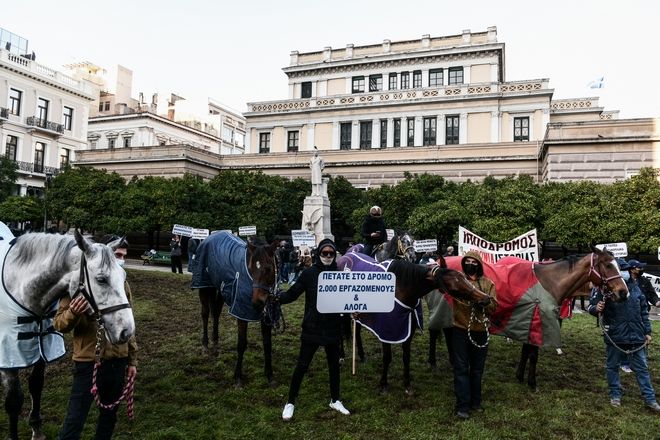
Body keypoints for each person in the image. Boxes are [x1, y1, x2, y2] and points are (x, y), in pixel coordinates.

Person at [54, 235, 138, 439]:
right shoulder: (78, 284)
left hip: (117, 361)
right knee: (75, 419)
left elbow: (129, 326)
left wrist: (132, 360)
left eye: (122, 256)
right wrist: (73, 312)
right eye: (117, 255)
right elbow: (59, 324)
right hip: (88, 362)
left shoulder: (121, 283)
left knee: (109, 417)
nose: (119, 260)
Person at [278, 238, 350, 421]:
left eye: (331, 253)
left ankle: (335, 399)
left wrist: (354, 311)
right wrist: (276, 298)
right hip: (312, 327)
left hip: (332, 328)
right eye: (324, 253)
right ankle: (290, 402)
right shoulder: (309, 273)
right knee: (302, 365)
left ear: (335, 255)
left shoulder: (341, 274)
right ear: (319, 254)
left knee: (334, 367)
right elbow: (293, 294)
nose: (327, 256)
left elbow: (349, 300)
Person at [588, 259, 660, 413]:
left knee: (642, 369)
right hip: (615, 336)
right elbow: (591, 307)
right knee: (612, 366)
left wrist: (647, 332)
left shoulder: (636, 288)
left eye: (627, 270)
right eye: (623, 270)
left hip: (637, 336)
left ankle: (650, 400)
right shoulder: (603, 289)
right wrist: (596, 307)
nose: (626, 273)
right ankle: (615, 395)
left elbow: (643, 312)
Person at [451, 251, 497, 420]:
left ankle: (476, 402)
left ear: (479, 264)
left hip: (481, 332)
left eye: (474, 261)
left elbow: (494, 306)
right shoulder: (458, 281)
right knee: (461, 368)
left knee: (477, 370)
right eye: (467, 261)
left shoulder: (488, 283)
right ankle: (462, 405)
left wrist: (487, 303)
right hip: (460, 330)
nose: (470, 264)